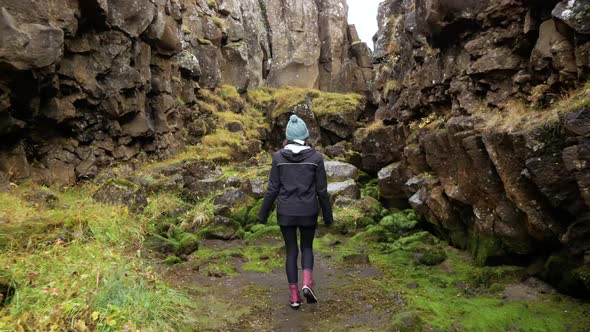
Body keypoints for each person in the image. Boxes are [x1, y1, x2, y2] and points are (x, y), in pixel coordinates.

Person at [258, 114, 334, 309]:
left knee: (291, 251)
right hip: (308, 211)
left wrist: (263, 215)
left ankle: (294, 297)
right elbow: (322, 191)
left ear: (288, 137)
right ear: (306, 136)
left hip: (286, 212)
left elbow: (272, 189)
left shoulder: (278, 157)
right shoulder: (316, 158)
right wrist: (328, 216)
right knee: (307, 248)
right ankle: (307, 284)